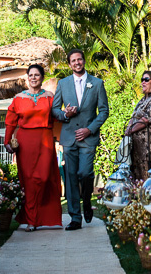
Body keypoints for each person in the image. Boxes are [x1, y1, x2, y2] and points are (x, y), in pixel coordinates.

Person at [52, 49, 109, 231]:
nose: (77, 63)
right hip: (69, 138)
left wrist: (90, 129)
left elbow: (104, 111)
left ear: (84, 61)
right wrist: (65, 114)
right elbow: (54, 109)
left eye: (79, 59)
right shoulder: (63, 83)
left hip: (88, 138)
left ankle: (86, 202)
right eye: (73, 61)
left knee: (84, 173)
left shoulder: (97, 83)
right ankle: (75, 218)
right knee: (70, 177)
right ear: (69, 64)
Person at [4, 64, 63, 231]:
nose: (34, 78)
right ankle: (31, 220)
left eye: (37, 75)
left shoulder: (50, 97)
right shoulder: (18, 98)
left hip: (45, 139)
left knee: (44, 178)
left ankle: (42, 216)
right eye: (31, 75)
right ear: (27, 77)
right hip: (25, 142)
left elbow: (58, 117)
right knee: (29, 181)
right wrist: (7, 141)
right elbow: (10, 122)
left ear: (42, 78)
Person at [126, 70, 151, 180]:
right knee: (138, 176)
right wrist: (128, 128)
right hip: (138, 148)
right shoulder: (142, 100)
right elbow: (133, 117)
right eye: (142, 80)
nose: (143, 82)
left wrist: (130, 130)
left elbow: (146, 119)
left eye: (146, 80)